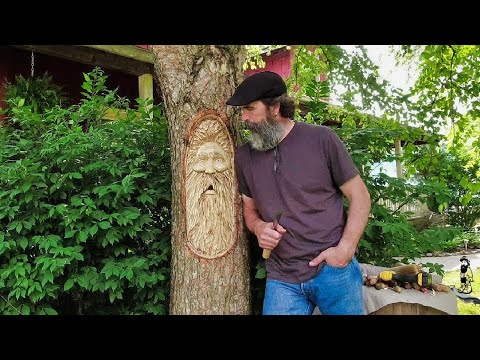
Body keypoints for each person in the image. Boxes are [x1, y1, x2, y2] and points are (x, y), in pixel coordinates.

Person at [226, 71, 371, 315]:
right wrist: (259, 228)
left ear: (274, 107)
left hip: (332, 269)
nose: (244, 118)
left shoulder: (322, 139)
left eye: (250, 109)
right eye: (242, 111)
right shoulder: (244, 156)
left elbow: (360, 196)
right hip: (282, 277)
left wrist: (345, 250)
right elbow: (249, 210)